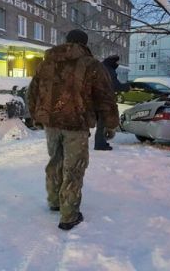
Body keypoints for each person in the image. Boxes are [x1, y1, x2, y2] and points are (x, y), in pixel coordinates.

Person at [27, 30, 119, 230]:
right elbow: (106, 98)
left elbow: (32, 92)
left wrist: (37, 117)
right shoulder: (92, 65)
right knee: (74, 168)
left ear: (66, 41)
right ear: (85, 44)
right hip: (76, 125)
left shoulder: (46, 63)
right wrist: (110, 124)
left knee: (55, 162)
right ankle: (69, 215)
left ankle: (54, 201)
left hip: (51, 124)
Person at [94, 55, 129, 151]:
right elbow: (115, 85)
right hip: (104, 100)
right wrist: (127, 86)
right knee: (102, 122)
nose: (117, 65)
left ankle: (100, 142)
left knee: (101, 122)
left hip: (96, 99)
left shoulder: (100, 68)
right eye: (116, 63)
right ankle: (100, 144)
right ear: (112, 63)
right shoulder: (109, 70)